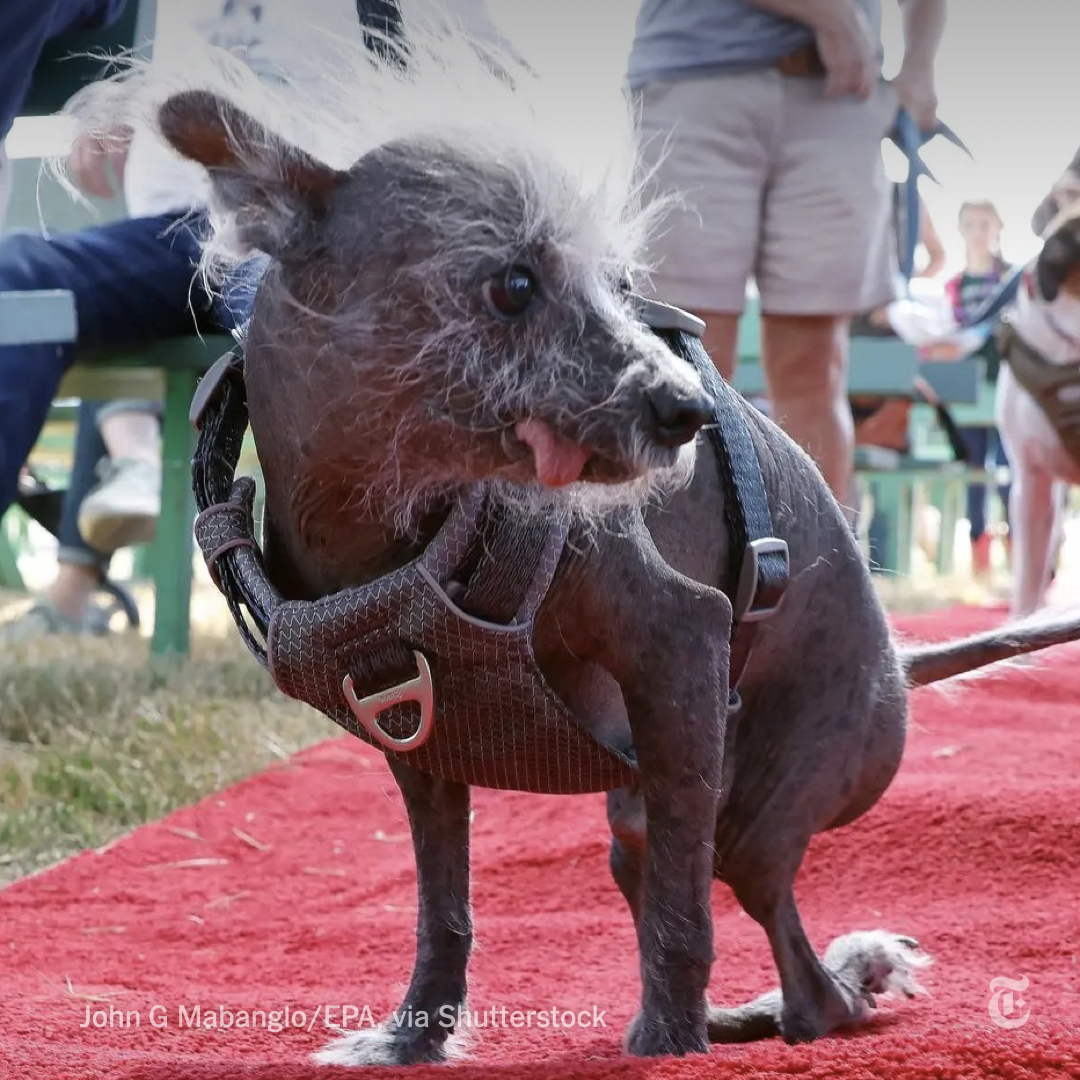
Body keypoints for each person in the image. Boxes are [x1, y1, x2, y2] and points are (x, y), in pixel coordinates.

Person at [627, 0, 947, 513]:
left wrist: (921, 63)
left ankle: (821, 582)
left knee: (816, 372)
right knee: (687, 362)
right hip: (698, 82)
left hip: (840, 94)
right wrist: (832, 15)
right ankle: (677, 578)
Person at [940, 199, 1011, 578]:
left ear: (997, 228)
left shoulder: (1010, 280)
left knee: (1008, 469)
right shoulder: (954, 287)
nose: (979, 232)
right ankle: (978, 556)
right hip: (967, 392)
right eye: (971, 225)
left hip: (1005, 386)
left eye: (985, 224)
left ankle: (1017, 552)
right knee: (974, 471)